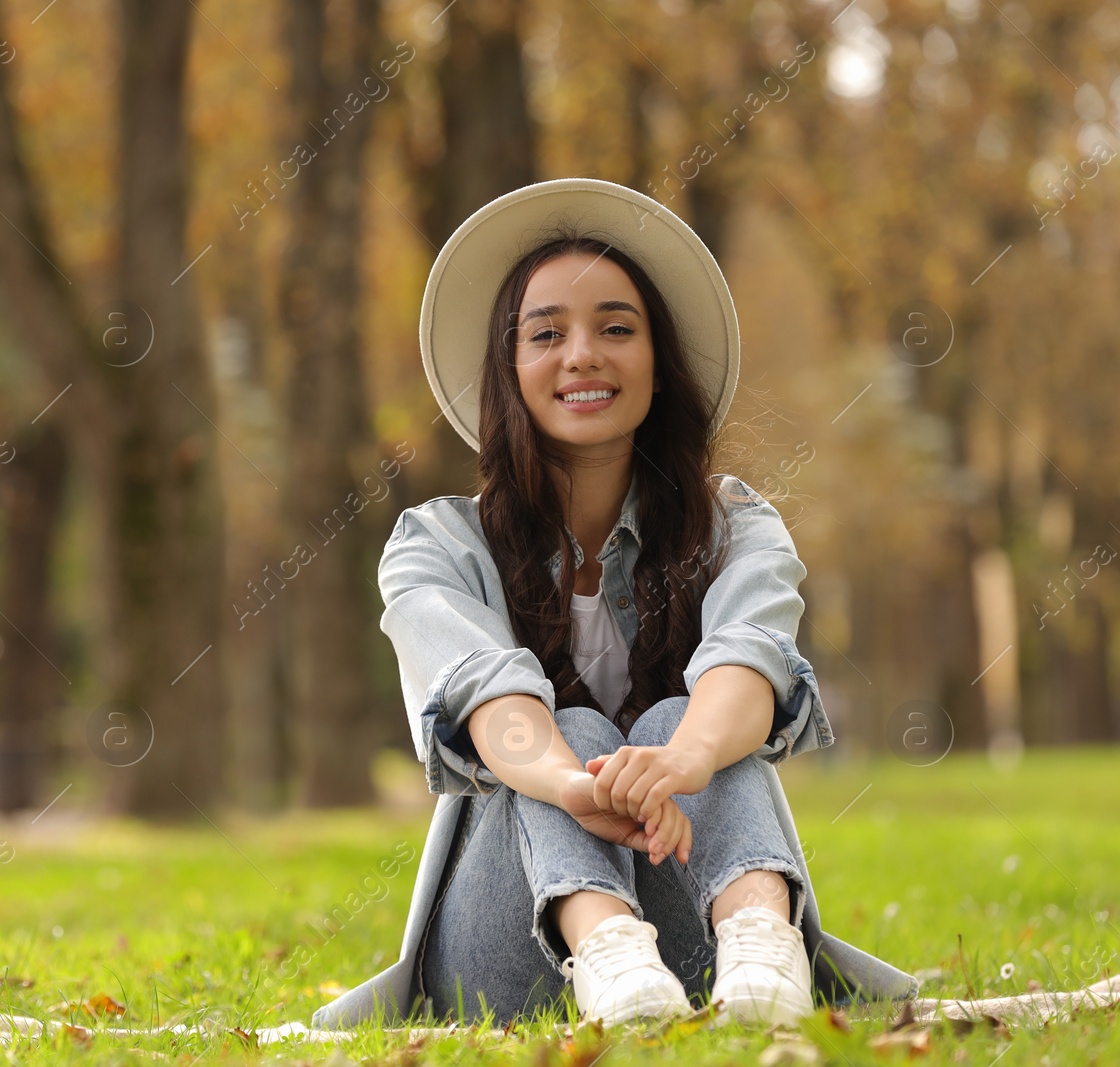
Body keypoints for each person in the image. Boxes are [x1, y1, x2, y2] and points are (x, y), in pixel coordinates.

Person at [311, 179, 920, 1031]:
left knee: (688, 716)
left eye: (617, 328)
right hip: (506, 956)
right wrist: (572, 782)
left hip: (695, 936)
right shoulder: (435, 546)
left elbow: (750, 655)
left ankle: (760, 942)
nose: (583, 355)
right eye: (547, 333)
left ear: (659, 363)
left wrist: (687, 759)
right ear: (509, 366)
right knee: (579, 736)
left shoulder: (737, 526)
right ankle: (608, 950)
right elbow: (494, 701)